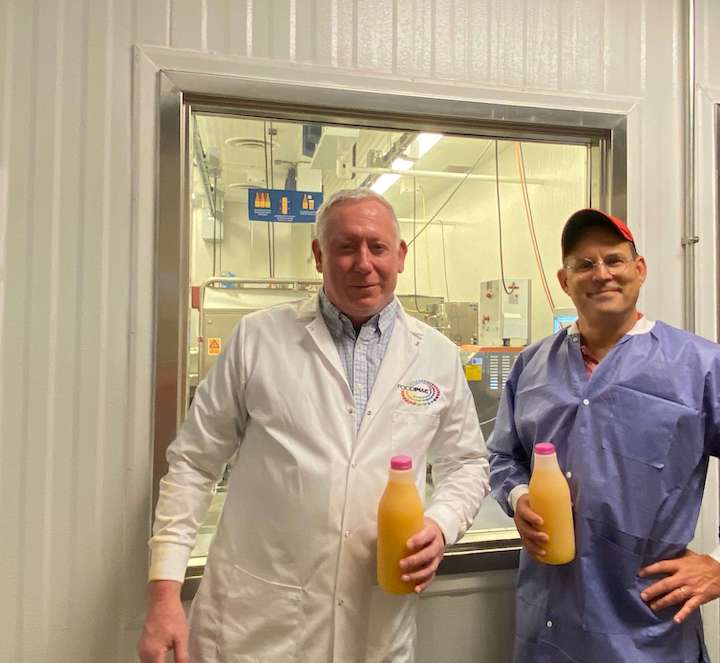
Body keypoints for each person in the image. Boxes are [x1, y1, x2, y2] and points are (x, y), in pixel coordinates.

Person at [138, 188, 489, 663]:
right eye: (346, 247)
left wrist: (442, 525)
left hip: (376, 624)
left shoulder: (437, 356)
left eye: (377, 247)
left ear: (400, 255)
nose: (363, 263)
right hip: (257, 625)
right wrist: (164, 594)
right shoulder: (258, 339)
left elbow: (466, 464)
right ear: (319, 255)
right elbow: (194, 465)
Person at [488, 208, 720, 662]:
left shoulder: (705, 370)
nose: (601, 274)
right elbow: (503, 455)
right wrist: (519, 495)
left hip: (647, 627)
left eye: (615, 260)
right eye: (584, 264)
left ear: (639, 270)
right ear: (564, 280)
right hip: (547, 623)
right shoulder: (532, 367)